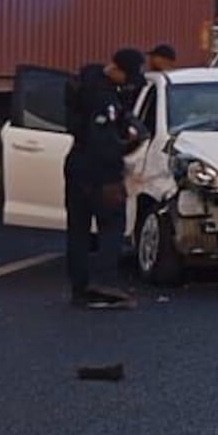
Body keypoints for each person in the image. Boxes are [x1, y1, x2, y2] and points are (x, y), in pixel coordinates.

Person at [64, 48, 148, 307]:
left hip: (76, 165)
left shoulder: (83, 85)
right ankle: (104, 284)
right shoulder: (105, 98)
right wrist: (125, 147)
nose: (130, 82)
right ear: (118, 69)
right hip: (100, 171)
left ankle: (79, 290)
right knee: (112, 225)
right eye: (129, 76)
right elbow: (103, 142)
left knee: (77, 231)